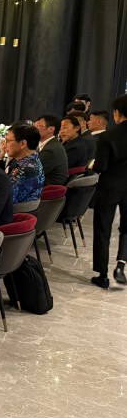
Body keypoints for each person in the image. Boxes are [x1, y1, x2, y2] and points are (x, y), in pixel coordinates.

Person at [91, 95, 127, 288]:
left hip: (109, 188)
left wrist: (93, 165)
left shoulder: (108, 136)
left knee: (103, 229)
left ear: (117, 113)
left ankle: (102, 275)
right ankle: (121, 265)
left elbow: (101, 166)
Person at [2, 124, 46, 204]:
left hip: (16, 210)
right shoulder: (30, 161)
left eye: (8, 141)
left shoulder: (28, 169)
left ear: (23, 143)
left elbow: (6, 200)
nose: (5, 145)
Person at [33, 114, 68, 186]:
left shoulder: (51, 150)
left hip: (47, 188)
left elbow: (32, 172)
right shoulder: (47, 144)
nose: (33, 130)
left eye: (38, 126)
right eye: (34, 126)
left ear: (51, 129)